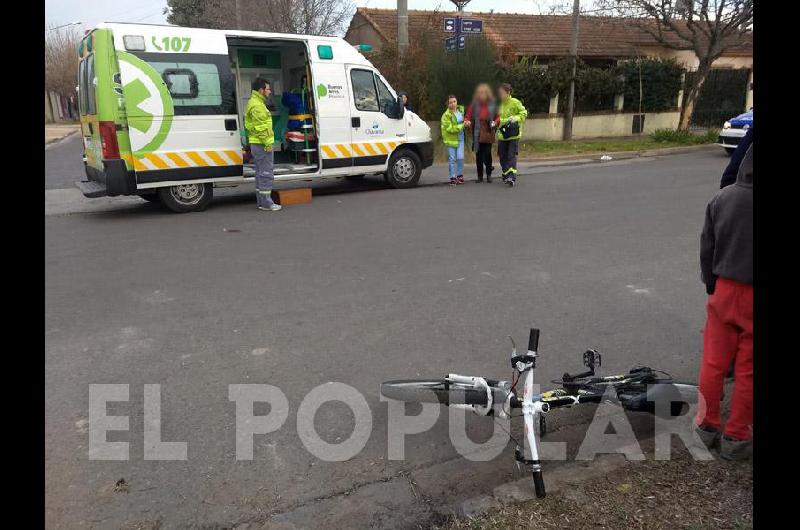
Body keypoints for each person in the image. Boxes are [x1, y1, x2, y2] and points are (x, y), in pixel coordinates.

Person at [695, 143, 753, 461]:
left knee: (714, 362)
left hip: (723, 290)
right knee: (748, 370)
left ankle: (706, 425)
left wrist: (711, 282)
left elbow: (708, 245)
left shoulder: (723, 198)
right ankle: (737, 435)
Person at [245, 78, 281, 211]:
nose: (269, 91)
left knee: (260, 173)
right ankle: (267, 203)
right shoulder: (257, 105)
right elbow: (261, 127)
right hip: (261, 144)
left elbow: (253, 126)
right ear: (261, 90)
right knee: (266, 173)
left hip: (257, 143)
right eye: (268, 89)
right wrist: (267, 143)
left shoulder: (255, 102)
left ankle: (261, 201)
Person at [464, 83, 500, 183]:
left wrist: (495, 122)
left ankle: (489, 174)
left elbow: (498, 116)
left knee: (488, 153)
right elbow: (468, 116)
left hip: (488, 130)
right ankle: (480, 176)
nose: (482, 94)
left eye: (484, 92)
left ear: (487, 93)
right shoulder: (474, 104)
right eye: (480, 93)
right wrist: (467, 121)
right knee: (478, 155)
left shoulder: (492, 103)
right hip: (477, 131)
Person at [495, 83, 528, 187]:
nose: (500, 95)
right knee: (502, 157)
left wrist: (515, 118)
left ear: (508, 92)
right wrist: (495, 122)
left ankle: (512, 177)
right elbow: (499, 119)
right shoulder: (500, 104)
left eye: (502, 93)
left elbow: (524, 113)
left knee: (511, 156)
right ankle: (506, 173)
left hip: (513, 135)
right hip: (502, 135)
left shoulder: (515, 102)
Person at [440, 95, 465, 186]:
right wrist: (462, 126)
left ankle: (460, 175)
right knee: (452, 159)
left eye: (454, 101)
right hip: (451, 140)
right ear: (448, 104)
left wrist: (467, 123)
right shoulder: (445, 116)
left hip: (461, 138)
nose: (453, 104)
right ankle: (453, 177)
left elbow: (465, 121)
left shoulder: (461, 111)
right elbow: (450, 129)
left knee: (460, 158)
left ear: (457, 102)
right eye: (451, 102)